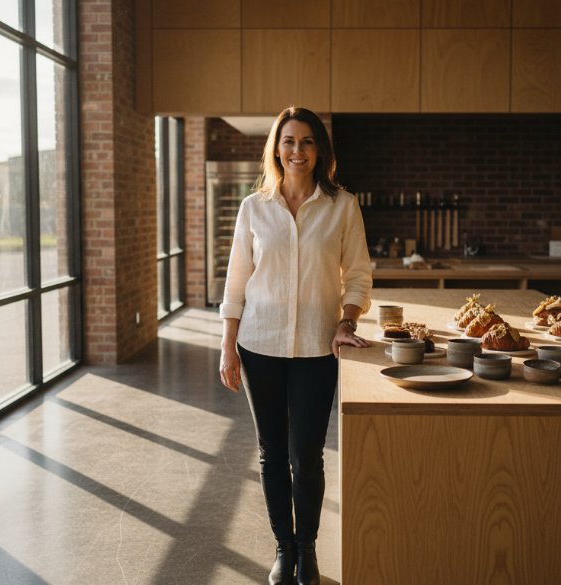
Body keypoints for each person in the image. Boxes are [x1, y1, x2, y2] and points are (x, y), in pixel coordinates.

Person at [218, 107, 372, 585]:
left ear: (319, 150)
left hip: (315, 349)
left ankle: (307, 548)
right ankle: (283, 549)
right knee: (271, 453)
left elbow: (359, 275)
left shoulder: (342, 206)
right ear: (276, 148)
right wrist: (227, 346)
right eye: (288, 141)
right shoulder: (253, 207)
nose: (297, 151)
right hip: (259, 346)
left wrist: (347, 320)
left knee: (306, 455)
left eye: (307, 142)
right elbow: (237, 281)